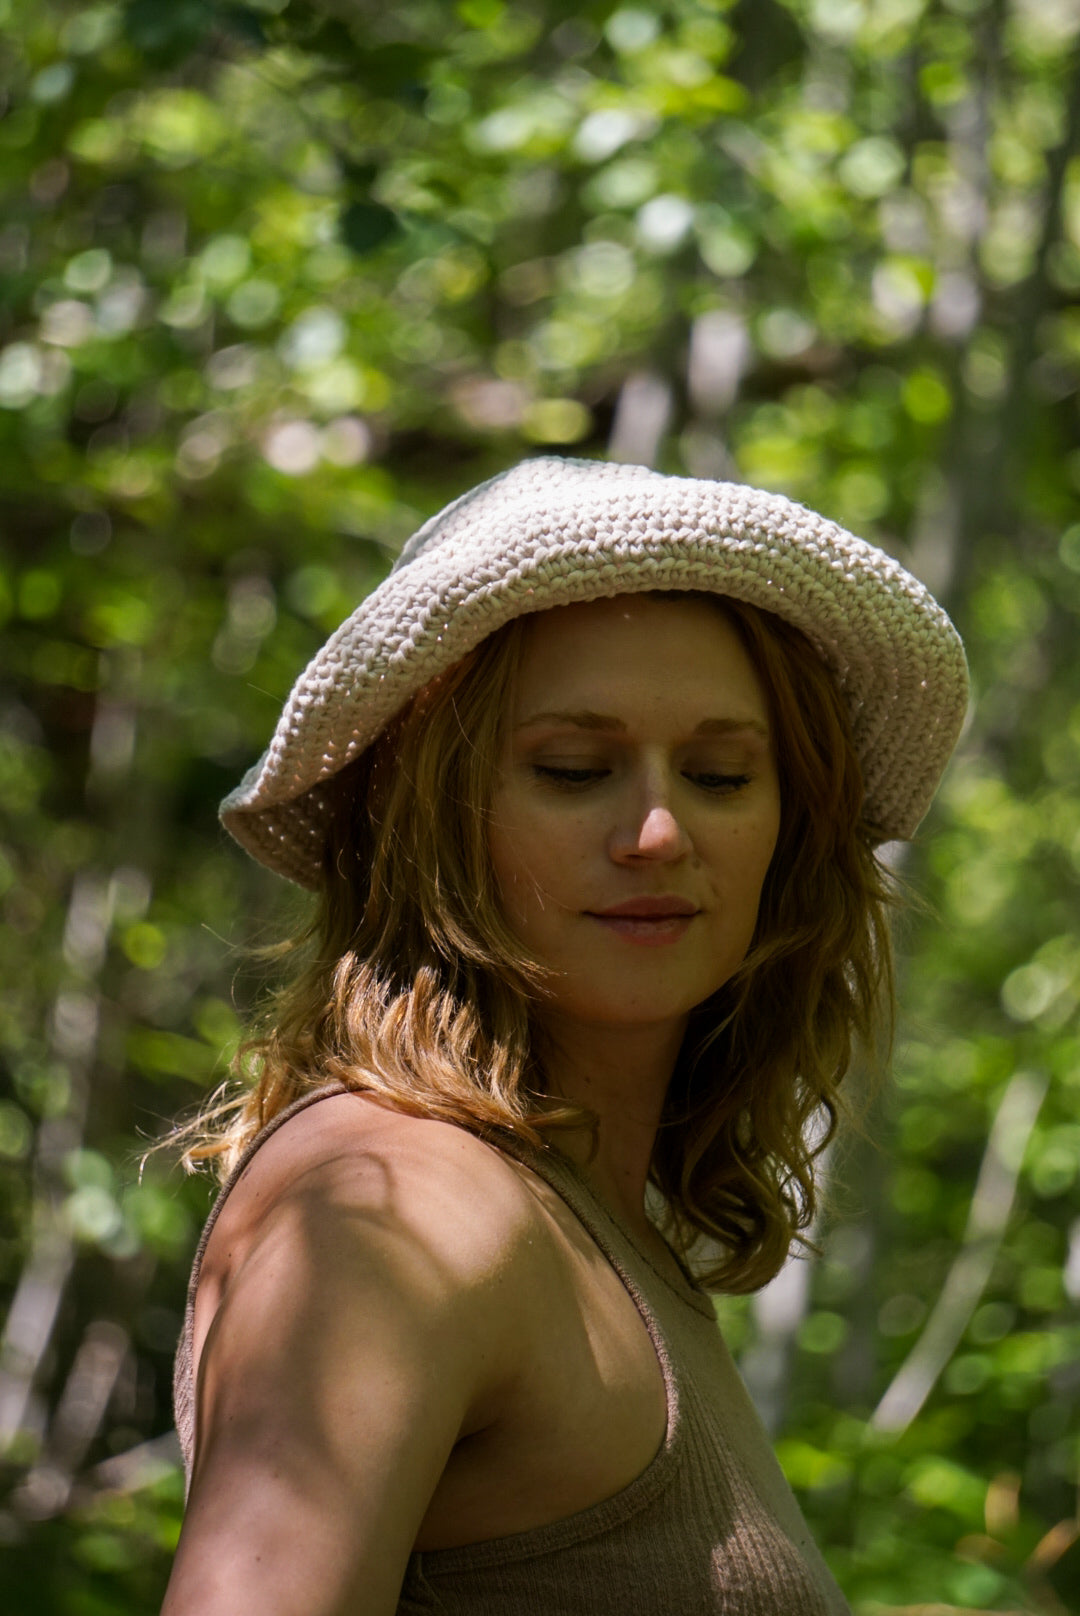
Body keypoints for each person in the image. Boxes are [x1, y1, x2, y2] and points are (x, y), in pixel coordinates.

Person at [162, 456, 968, 1616]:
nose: (656, 829)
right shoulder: (397, 1202)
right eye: (575, 769)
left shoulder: (584, 1215)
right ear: (429, 816)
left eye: (720, 773)